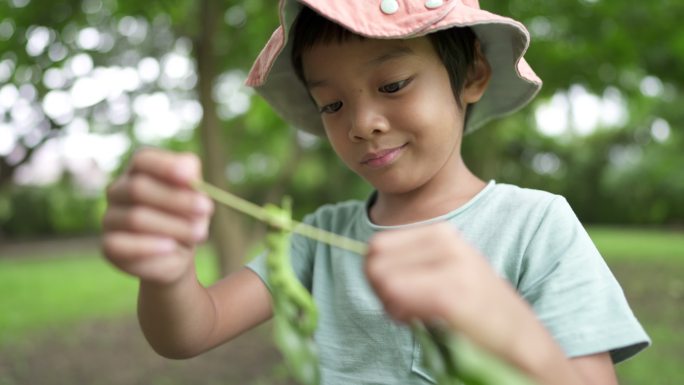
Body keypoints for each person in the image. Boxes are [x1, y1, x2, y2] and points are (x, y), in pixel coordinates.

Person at [101, 1, 650, 384]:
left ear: (473, 75)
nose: (362, 122)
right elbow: (191, 332)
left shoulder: (538, 226)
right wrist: (167, 269)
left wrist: (502, 323)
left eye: (392, 85)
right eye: (332, 105)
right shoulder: (318, 238)